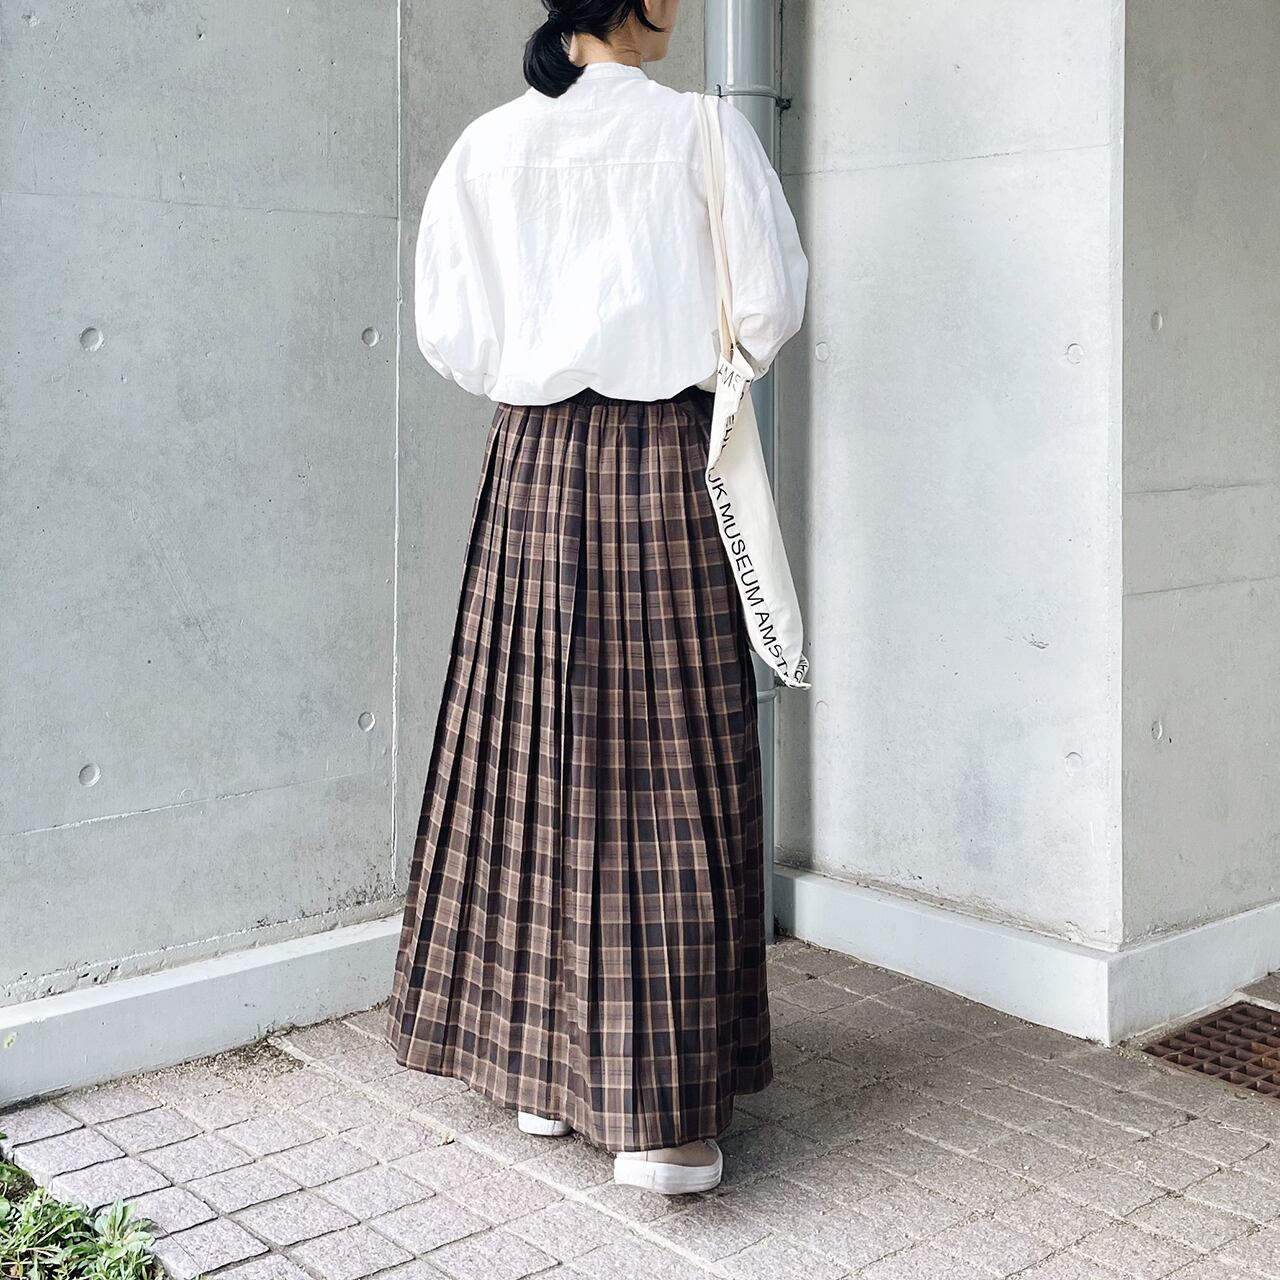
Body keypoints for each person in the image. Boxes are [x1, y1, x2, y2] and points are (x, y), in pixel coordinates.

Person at [386, 0, 807, 1196]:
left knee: (530, 755)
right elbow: (765, 304)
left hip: (526, 464)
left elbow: (451, 333)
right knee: (669, 767)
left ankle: (537, 1071)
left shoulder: (486, 146)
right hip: (659, 459)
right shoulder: (696, 135)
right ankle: (657, 1120)